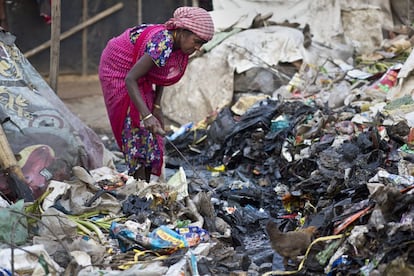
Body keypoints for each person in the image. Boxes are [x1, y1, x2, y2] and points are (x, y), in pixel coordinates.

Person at [98, 7, 214, 183]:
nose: (197, 48)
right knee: (135, 126)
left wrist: (156, 106)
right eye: (196, 41)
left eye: (202, 44)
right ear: (182, 32)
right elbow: (130, 79)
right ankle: (140, 188)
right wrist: (147, 115)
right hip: (118, 70)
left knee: (150, 128)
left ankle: (147, 184)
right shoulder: (163, 43)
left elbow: (161, 72)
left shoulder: (177, 45)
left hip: (137, 73)